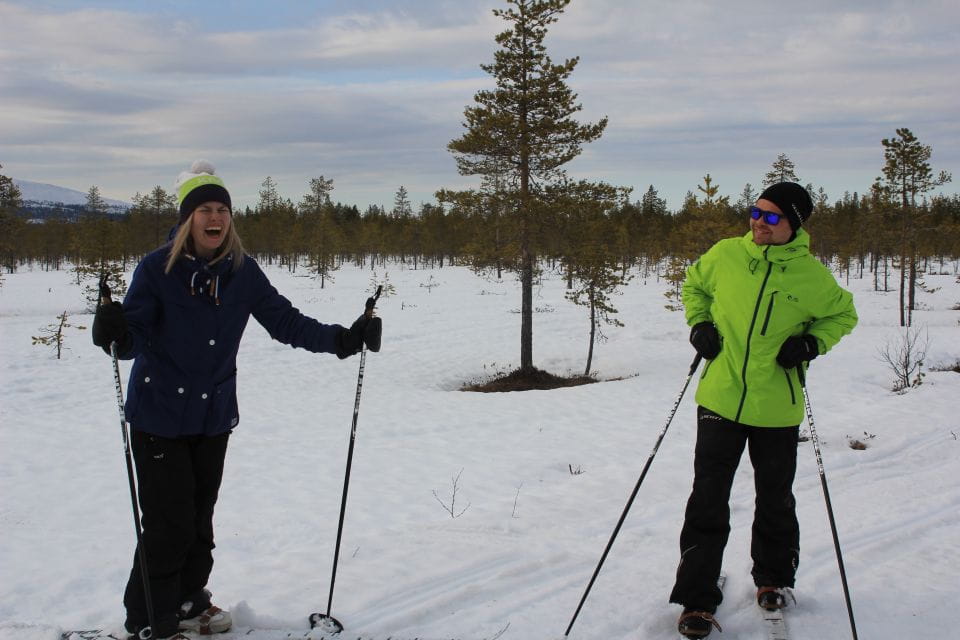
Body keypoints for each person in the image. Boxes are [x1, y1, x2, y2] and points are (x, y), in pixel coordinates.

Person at [92, 161, 382, 640]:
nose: (216, 217)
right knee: (168, 525)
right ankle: (147, 618)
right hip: (159, 416)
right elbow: (133, 337)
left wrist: (344, 339)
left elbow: (286, 322)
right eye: (205, 209)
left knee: (199, 524)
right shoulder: (156, 269)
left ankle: (188, 601)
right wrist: (116, 333)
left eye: (222, 209)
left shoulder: (242, 272)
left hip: (212, 416)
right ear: (189, 218)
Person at [670, 182, 857, 639]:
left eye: (772, 217)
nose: (759, 222)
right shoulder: (727, 255)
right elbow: (693, 286)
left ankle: (773, 579)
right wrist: (700, 325)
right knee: (708, 499)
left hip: (777, 406)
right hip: (720, 398)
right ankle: (697, 600)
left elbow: (843, 315)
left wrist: (812, 343)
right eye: (756, 212)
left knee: (775, 498)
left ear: (793, 223)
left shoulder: (811, 277)